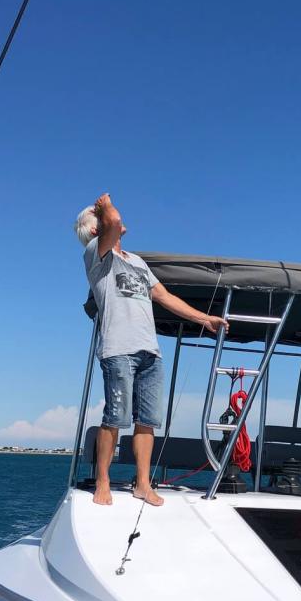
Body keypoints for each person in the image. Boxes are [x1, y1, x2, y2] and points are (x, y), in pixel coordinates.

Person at [76, 193, 227, 507]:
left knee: (148, 420)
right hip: (118, 350)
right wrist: (105, 208)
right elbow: (114, 221)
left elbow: (164, 296)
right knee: (115, 417)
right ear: (95, 230)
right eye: (103, 220)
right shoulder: (95, 253)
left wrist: (205, 319)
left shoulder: (137, 262)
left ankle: (142, 484)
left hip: (150, 351)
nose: (118, 222)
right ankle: (103, 481)